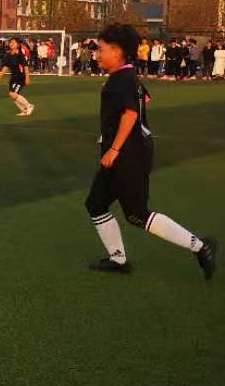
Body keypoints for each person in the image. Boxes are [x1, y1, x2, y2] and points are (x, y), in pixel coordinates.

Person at [84, 24, 217, 279]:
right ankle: (118, 260)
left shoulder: (121, 80)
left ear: (117, 51)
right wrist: (108, 135)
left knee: (136, 214)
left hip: (128, 155)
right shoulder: (127, 75)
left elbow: (131, 113)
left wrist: (114, 147)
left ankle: (200, 247)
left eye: (101, 49)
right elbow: (143, 100)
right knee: (96, 203)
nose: (97, 54)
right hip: (126, 151)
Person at [0, 37, 35, 116]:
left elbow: (25, 66)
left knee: (13, 94)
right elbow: (6, 66)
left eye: (13, 42)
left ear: (18, 45)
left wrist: (27, 77)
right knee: (13, 95)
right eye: (10, 42)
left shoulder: (20, 54)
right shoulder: (9, 54)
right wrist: (0, 76)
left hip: (20, 77)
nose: (11, 44)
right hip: (13, 77)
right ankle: (24, 110)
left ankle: (29, 106)